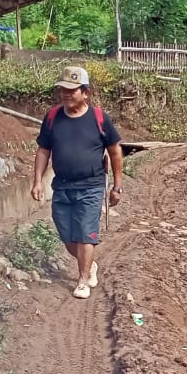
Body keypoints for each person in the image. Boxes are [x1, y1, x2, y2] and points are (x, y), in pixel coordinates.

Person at [30, 65, 124, 298]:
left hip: (91, 186)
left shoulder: (99, 118)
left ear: (86, 93)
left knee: (85, 234)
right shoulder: (52, 117)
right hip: (62, 186)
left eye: (72, 90)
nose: (66, 94)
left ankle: (82, 280)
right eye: (63, 89)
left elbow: (115, 151)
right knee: (67, 236)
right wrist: (37, 181)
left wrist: (117, 185)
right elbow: (43, 150)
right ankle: (89, 264)